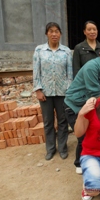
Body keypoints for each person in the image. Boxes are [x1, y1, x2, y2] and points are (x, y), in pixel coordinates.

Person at [64, 40, 100, 174]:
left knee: (90, 134)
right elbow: (94, 93)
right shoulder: (92, 67)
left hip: (90, 104)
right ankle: (80, 163)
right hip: (75, 104)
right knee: (83, 136)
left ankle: (89, 162)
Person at [33, 22, 72, 161]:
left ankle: (62, 148)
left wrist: (68, 90)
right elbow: (36, 71)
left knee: (63, 121)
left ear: (60, 33)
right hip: (46, 93)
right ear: (46, 34)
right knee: (48, 121)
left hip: (62, 92)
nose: (54, 34)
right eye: (51, 31)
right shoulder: (39, 50)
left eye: (57, 31)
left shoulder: (66, 51)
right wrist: (38, 89)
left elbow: (70, 73)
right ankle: (50, 149)